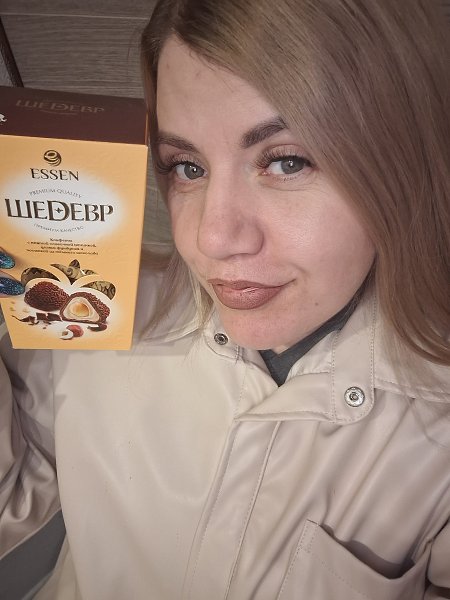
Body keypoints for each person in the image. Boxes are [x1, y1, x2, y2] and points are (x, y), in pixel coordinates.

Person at [1, 0, 449, 598]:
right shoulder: (96, 313)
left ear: (402, 168)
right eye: (187, 167)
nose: (211, 239)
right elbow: (14, 505)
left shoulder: (436, 427)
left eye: (286, 161)